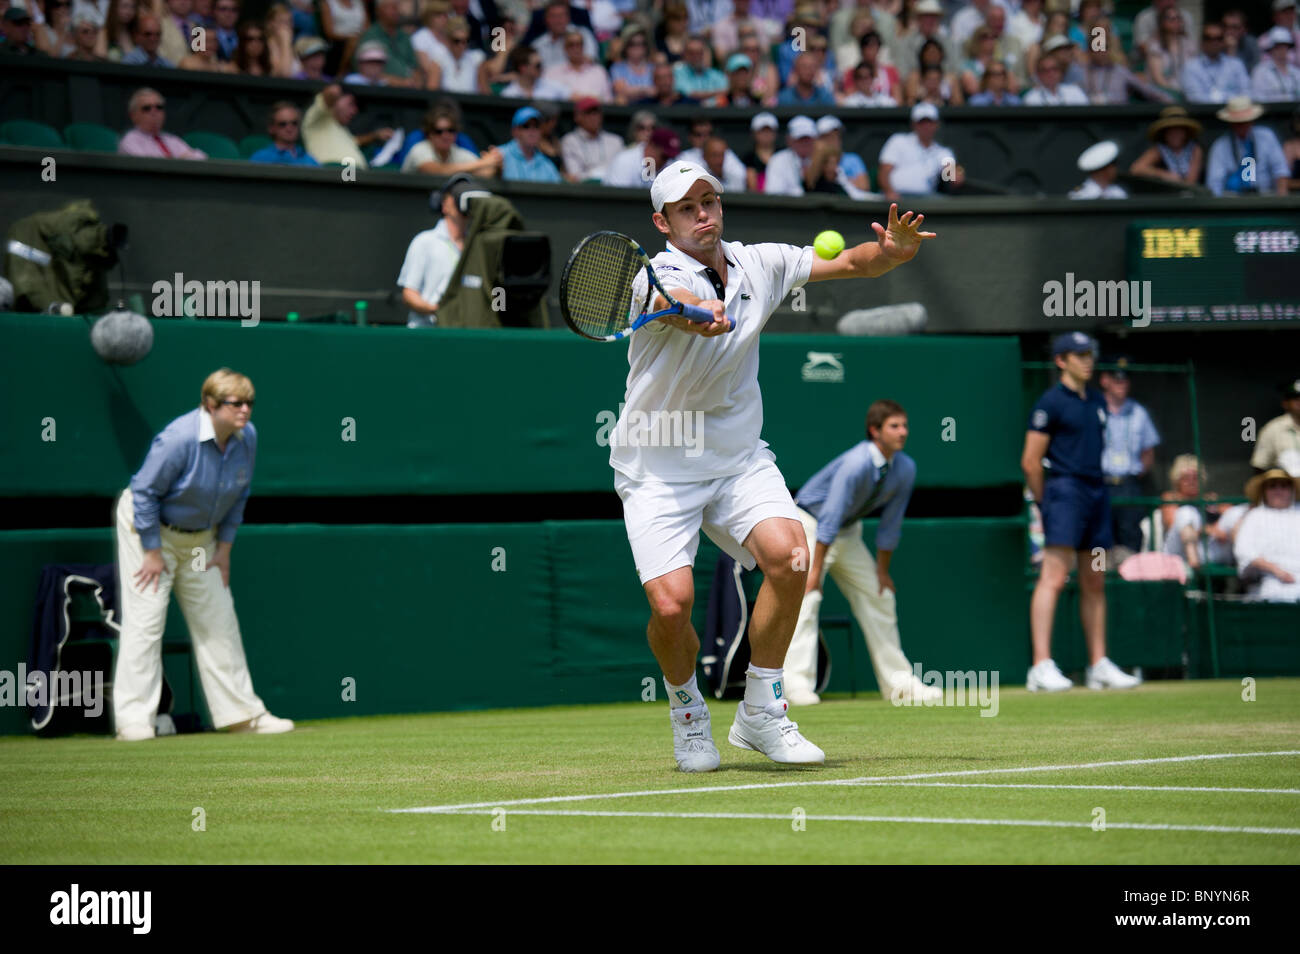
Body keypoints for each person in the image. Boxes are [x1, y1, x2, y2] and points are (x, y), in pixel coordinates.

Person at [614, 160, 935, 771]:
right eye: (687, 208)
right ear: (664, 223)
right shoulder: (652, 275)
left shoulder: (760, 262)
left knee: (792, 555)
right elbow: (674, 298)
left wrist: (892, 254)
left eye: (709, 200)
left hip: (737, 457)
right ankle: (688, 713)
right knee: (671, 605)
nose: (703, 214)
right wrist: (694, 312)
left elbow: (847, 264)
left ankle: (761, 710)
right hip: (657, 461)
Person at [114, 369, 294, 741]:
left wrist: (224, 549)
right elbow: (144, 492)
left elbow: (239, 494)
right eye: (236, 403)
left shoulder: (247, 438)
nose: (245, 410)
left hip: (199, 541)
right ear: (211, 405)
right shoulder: (178, 439)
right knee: (146, 622)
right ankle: (133, 720)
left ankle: (242, 715)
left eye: (249, 403)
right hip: (148, 531)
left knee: (218, 618)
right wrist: (150, 551)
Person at [783, 400, 940, 706]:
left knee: (880, 595)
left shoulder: (905, 468)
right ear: (875, 431)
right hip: (811, 525)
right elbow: (830, 515)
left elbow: (890, 524)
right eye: (894, 426)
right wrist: (814, 573)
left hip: (847, 531)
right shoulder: (856, 464)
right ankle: (796, 685)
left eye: (905, 425)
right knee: (807, 597)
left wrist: (882, 571)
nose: (903, 432)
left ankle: (899, 685)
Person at [1021, 331, 1141, 692]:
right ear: (1061, 361)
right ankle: (1040, 666)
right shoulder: (1050, 403)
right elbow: (1030, 462)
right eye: (1080, 354)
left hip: (1096, 494)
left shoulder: (1097, 403)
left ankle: (1098, 664)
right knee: (1054, 577)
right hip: (1064, 493)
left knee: (1096, 578)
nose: (1088, 360)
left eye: (1091, 353)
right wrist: (1047, 504)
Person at [1098, 359, 1159, 557]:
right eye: (1117, 380)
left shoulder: (1138, 412)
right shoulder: (1093, 408)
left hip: (1128, 484)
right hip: (1100, 482)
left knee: (1130, 537)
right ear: (1105, 380)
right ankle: (1100, 582)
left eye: (1125, 380)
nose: (1122, 384)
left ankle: (1128, 582)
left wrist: (1134, 475)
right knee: (1099, 536)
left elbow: (1148, 451)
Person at [397, 175, 473, 327]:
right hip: (427, 333)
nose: (462, 197)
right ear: (444, 204)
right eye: (456, 194)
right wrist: (438, 311)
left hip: (463, 333)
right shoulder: (425, 241)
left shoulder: (477, 245)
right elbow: (409, 294)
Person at [1235, 469, 1300, 602]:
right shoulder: (1255, 516)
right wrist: (1276, 571)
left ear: (1291, 490)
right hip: (1269, 582)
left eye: (1283, 486)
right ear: (1264, 491)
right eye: (1272, 486)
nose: (1278, 490)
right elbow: (1243, 550)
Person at [1205, 96, 1290, 197]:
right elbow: (1214, 184)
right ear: (1231, 123)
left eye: (1244, 121)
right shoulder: (1220, 146)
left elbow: (1280, 171)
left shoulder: (1267, 137)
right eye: (1237, 122)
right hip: (1231, 201)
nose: (1241, 126)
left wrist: (1280, 201)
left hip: (1265, 198)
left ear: (1251, 121)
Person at [878, 102, 962, 201]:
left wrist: (956, 175)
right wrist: (889, 192)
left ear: (937, 124)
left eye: (929, 122)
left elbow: (953, 177)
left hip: (926, 200)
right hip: (898, 199)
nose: (926, 126)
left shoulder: (943, 153)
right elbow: (884, 171)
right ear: (914, 124)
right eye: (921, 122)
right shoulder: (898, 141)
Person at [403, 106, 501, 176]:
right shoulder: (419, 149)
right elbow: (437, 170)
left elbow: (484, 174)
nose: (445, 135)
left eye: (450, 130)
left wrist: (496, 165)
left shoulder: (458, 152)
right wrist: (482, 163)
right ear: (429, 135)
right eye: (439, 131)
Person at [302, 84, 380, 168]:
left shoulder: (342, 129)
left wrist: (376, 135)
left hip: (355, 175)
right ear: (337, 100)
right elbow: (329, 94)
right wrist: (333, 92)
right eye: (351, 104)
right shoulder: (318, 119)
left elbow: (356, 141)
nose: (354, 111)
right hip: (334, 172)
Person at [118, 87, 206, 158]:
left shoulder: (170, 139)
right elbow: (147, 167)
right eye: (147, 108)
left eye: (159, 107)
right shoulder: (130, 140)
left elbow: (200, 158)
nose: (154, 112)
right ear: (133, 116)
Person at [1130, 106, 1204, 186]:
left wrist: (1179, 182)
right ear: (1164, 133)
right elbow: (1136, 168)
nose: (1175, 135)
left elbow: (1191, 182)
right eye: (1171, 131)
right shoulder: (1158, 149)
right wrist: (1163, 175)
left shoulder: (1195, 150)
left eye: (1179, 131)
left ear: (1185, 132)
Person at [1181, 20, 1251, 104]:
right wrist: (1229, 99)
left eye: (1218, 38)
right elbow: (1194, 98)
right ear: (1202, 41)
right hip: (1202, 115)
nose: (1214, 42)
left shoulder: (1236, 64)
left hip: (1234, 115)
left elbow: (1247, 93)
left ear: (1223, 41)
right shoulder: (1190, 67)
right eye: (1208, 38)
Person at [560, 97, 622, 182]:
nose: (594, 117)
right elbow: (575, 176)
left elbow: (621, 172)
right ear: (577, 117)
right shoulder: (569, 141)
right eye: (588, 113)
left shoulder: (615, 141)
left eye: (596, 112)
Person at [543, 25, 612, 101]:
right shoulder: (552, 73)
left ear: (583, 47)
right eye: (571, 45)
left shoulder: (598, 72)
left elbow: (608, 100)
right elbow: (546, 99)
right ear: (565, 48)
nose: (576, 48)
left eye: (579, 44)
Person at [498, 105, 563, 183]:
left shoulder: (546, 164)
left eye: (536, 126)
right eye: (526, 126)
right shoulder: (499, 155)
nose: (532, 131)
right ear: (515, 131)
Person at [603, 126, 680, 189]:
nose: (666, 161)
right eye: (664, 157)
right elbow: (617, 199)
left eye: (668, 158)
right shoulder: (625, 162)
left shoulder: (669, 165)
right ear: (651, 146)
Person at [1252, 378, 1300, 476]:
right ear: (1285, 403)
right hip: (1287, 488)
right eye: (1296, 399)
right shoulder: (1273, 429)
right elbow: (1260, 466)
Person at [249, 101, 320, 166]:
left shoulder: (309, 160)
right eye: (282, 124)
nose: (289, 128)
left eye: (294, 123)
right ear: (271, 128)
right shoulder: (261, 158)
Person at [762, 114, 818, 196]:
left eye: (808, 139)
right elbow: (773, 193)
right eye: (800, 139)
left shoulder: (824, 160)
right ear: (789, 140)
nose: (805, 143)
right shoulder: (778, 160)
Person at [499, 42, 567, 99]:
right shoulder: (509, 94)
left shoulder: (552, 86)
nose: (541, 68)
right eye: (538, 65)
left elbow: (573, 96)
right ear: (523, 68)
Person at [673, 35, 728, 105]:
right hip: (687, 113)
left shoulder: (716, 74)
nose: (696, 56)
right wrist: (716, 93)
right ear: (684, 54)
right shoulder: (678, 72)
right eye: (691, 53)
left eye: (699, 52)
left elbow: (726, 92)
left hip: (715, 113)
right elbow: (688, 94)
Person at [1252, 26, 1300, 102]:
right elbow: (1258, 98)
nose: (1282, 50)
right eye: (1278, 47)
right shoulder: (1261, 71)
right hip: (1271, 112)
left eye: (1284, 46)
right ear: (1271, 49)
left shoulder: (1296, 72)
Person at [1022, 51, 1087, 104]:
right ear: (1038, 74)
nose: (1051, 73)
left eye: (1055, 69)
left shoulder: (1074, 91)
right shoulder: (1031, 98)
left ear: (1061, 71)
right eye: (1045, 70)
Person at [742, 111, 778, 191]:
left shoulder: (783, 156)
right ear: (753, 133)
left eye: (769, 130)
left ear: (775, 133)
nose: (766, 134)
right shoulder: (747, 159)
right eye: (762, 131)